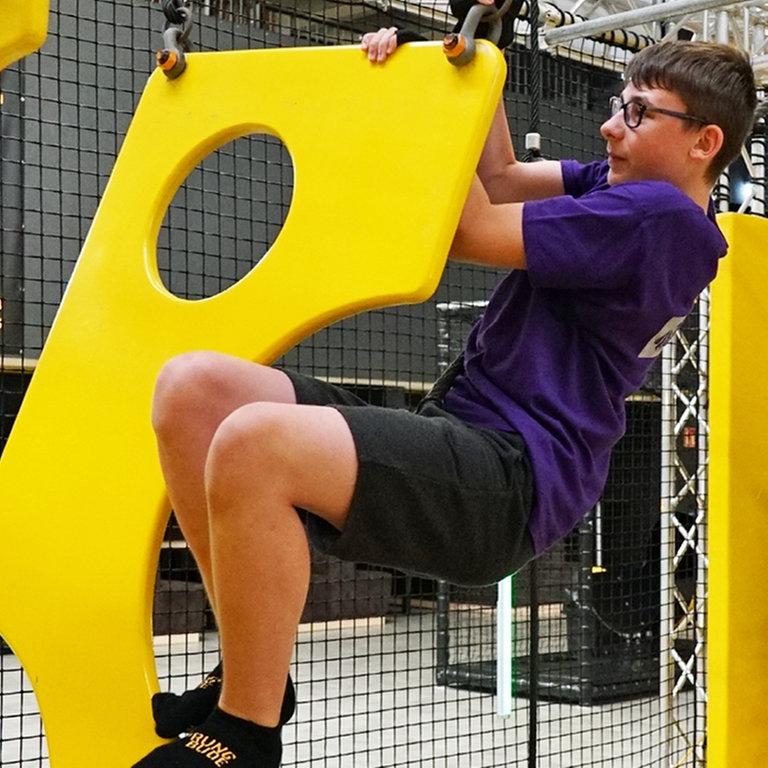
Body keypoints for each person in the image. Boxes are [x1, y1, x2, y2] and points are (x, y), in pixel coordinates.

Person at [132, 29, 757, 768]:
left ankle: (245, 731)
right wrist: (471, 46)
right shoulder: (620, 190)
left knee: (252, 444)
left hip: (509, 479)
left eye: (638, 113)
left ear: (703, 142)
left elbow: (469, 223)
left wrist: (432, 85)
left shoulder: (658, 220)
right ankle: (250, 676)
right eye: (618, 105)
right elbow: (495, 172)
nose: (610, 125)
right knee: (193, 391)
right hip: (461, 434)